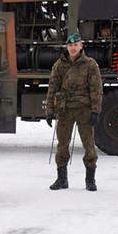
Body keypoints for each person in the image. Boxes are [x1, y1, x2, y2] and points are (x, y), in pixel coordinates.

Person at [45, 32, 103, 191]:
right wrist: (49, 111)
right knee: (62, 144)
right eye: (70, 45)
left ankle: (90, 180)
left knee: (89, 145)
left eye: (75, 45)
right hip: (65, 110)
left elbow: (96, 89)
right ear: (67, 47)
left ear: (81, 46)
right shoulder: (59, 65)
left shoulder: (90, 64)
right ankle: (61, 179)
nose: (72, 48)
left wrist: (95, 111)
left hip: (84, 109)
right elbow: (52, 88)